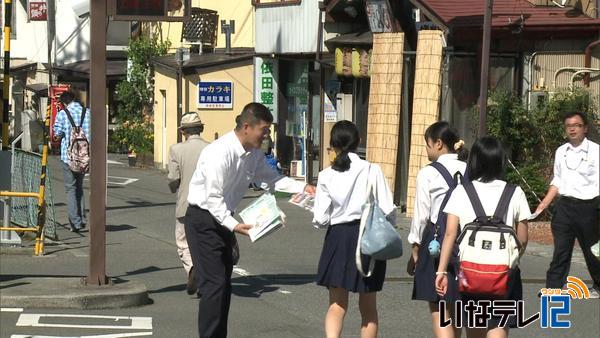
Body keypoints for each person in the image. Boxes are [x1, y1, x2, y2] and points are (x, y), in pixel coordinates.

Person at [185, 102, 315, 337]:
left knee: (223, 285)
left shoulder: (254, 154)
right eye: (263, 130)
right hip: (203, 219)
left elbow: (271, 180)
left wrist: (304, 186)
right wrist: (235, 225)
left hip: (223, 219)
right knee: (214, 285)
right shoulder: (219, 152)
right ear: (246, 127)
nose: (267, 136)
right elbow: (212, 199)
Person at [435, 136, 530, 338]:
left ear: (474, 162)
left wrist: (441, 271)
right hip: (504, 272)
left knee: (474, 324)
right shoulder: (515, 192)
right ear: (501, 161)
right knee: (498, 325)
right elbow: (522, 237)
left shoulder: (462, 191)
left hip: (469, 271)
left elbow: (450, 234)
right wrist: (512, 256)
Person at [312, 120, 396, 338]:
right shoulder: (372, 169)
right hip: (367, 237)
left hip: (338, 239)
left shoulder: (326, 175)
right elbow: (388, 209)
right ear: (359, 142)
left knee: (337, 305)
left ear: (333, 144)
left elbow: (320, 219)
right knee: (368, 306)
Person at [408, 121, 467, 338]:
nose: (426, 149)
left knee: (439, 307)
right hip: (466, 240)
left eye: (428, 144)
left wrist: (415, 251)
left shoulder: (428, 173)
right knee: (458, 305)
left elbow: (421, 216)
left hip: (437, 241)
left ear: (439, 144)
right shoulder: (469, 168)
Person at [535, 111, 600, 298]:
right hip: (564, 207)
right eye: (568, 125)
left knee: (592, 251)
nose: (572, 128)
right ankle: (554, 286)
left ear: (585, 128)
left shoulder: (596, 151)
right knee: (561, 250)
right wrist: (545, 202)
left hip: (589, 207)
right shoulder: (561, 151)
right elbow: (558, 180)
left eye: (577, 125)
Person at [167, 112, 209, 296]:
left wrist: (173, 186)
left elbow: (174, 178)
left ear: (183, 131)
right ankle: (205, 276)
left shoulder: (176, 149)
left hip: (186, 203)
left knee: (183, 241)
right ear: (201, 128)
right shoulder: (211, 148)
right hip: (209, 204)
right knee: (205, 242)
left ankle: (193, 269)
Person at [52, 91, 90, 233]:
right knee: (79, 187)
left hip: (68, 157)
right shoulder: (87, 112)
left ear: (63, 103)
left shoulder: (62, 114)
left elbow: (57, 134)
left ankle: (75, 223)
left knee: (70, 188)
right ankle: (82, 219)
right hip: (84, 156)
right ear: (74, 99)